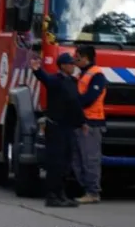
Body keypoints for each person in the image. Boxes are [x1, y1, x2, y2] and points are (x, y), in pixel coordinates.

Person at [31, 52, 87, 208]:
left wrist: (82, 122)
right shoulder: (56, 80)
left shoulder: (72, 81)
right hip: (56, 127)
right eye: (70, 64)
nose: (72, 66)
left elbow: (75, 103)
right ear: (62, 66)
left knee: (66, 164)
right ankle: (51, 196)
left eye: (73, 63)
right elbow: (45, 79)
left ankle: (62, 194)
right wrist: (37, 70)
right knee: (55, 163)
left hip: (69, 127)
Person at [73, 45, 106, 204]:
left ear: (85, 57)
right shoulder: (82, 74)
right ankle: (86, 190)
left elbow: (89, 98)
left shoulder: (97, 74)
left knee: (90, 159)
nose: (75, 60)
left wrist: (73, 104)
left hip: (91, 123)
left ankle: (93, 192)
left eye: (77, 57)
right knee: (78, 160)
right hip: (81, 121)